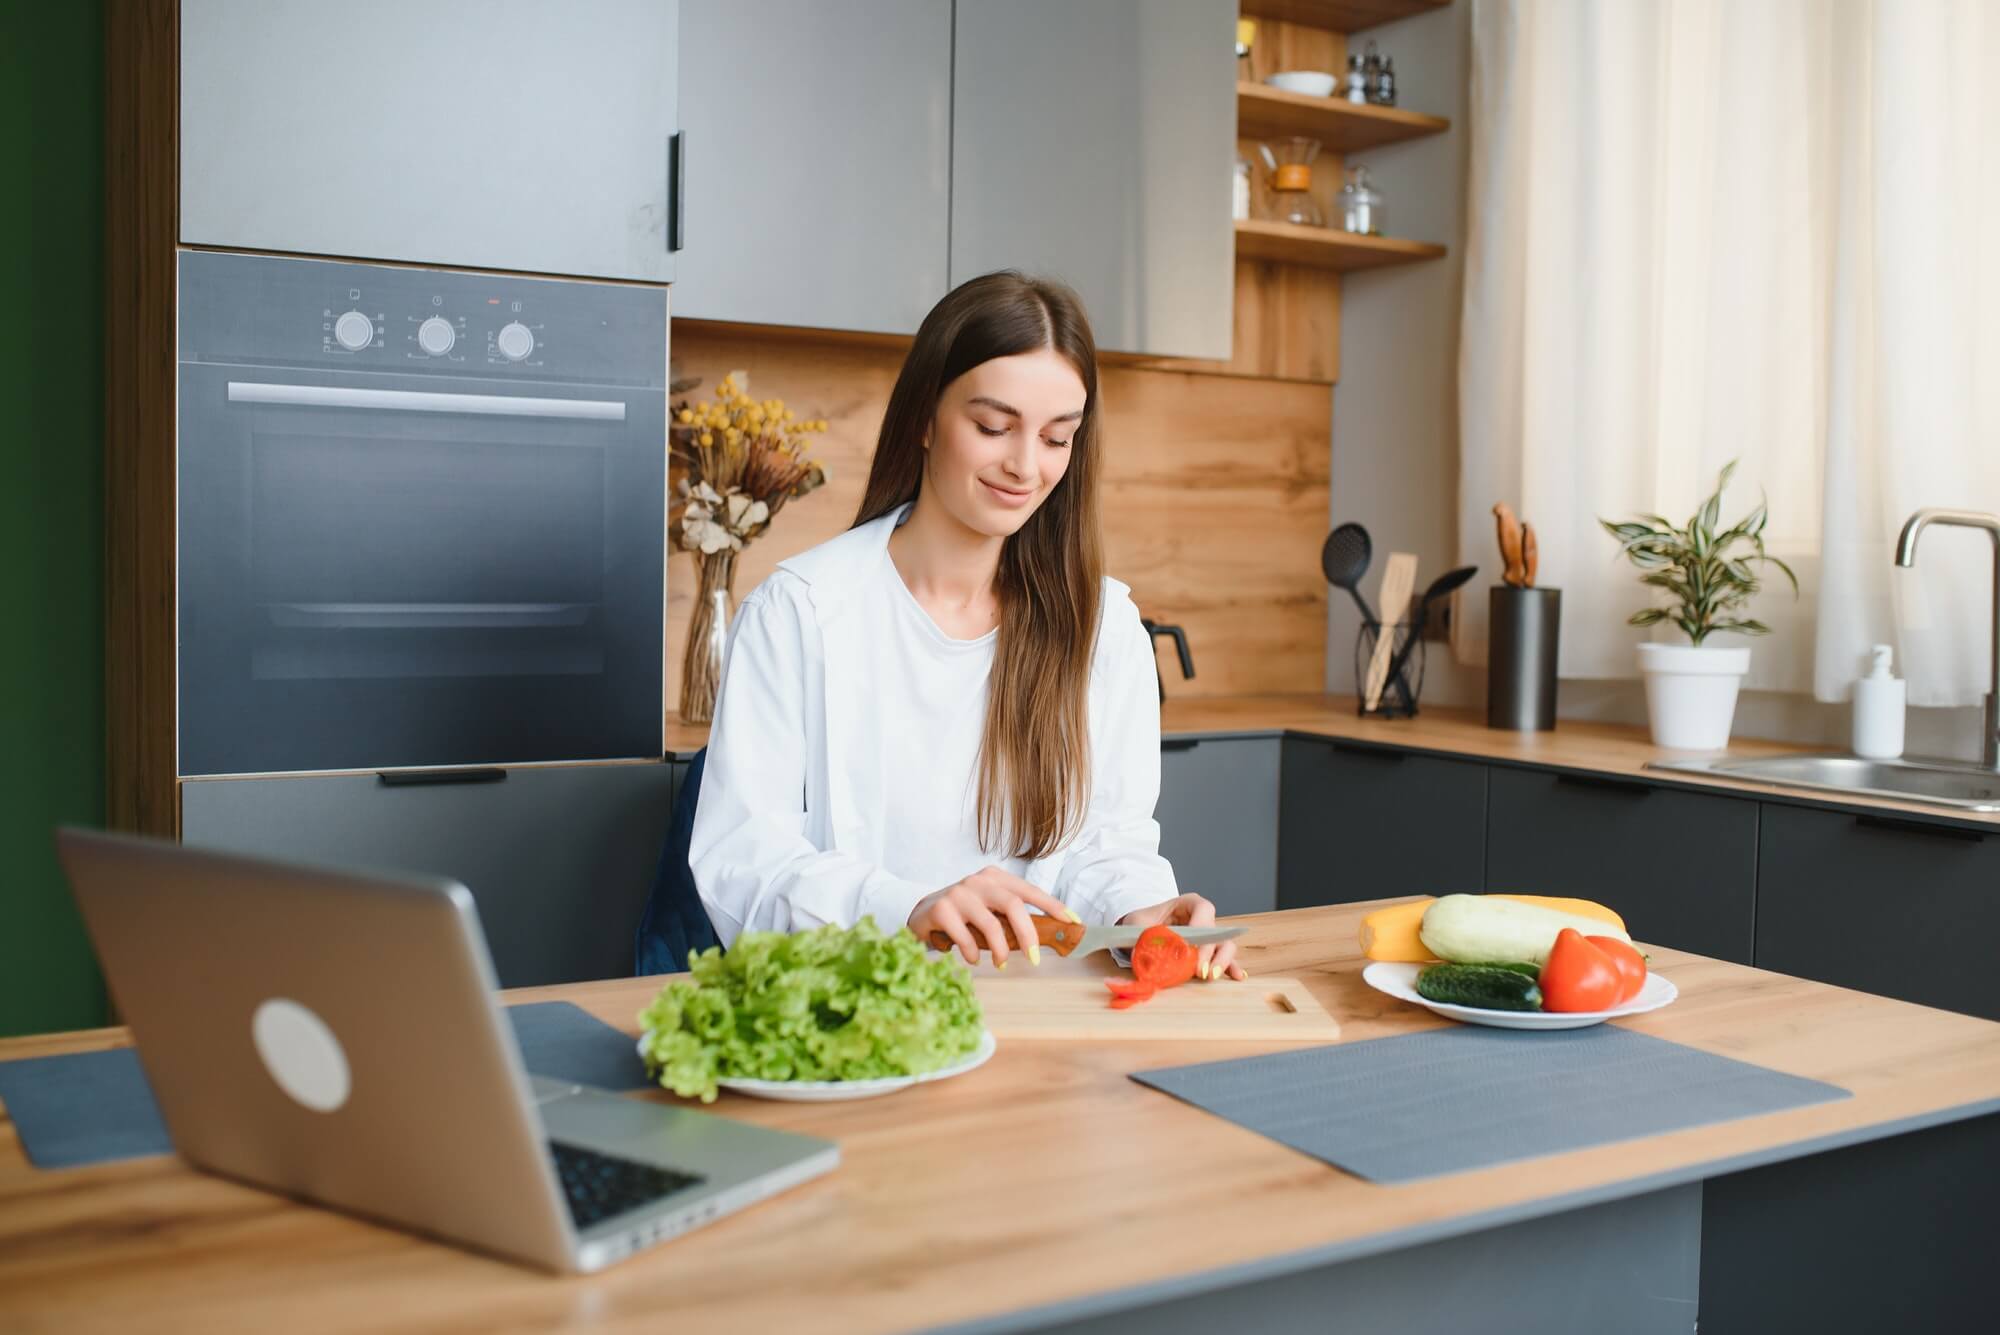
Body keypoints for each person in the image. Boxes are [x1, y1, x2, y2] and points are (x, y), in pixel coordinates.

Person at [688, 272, 1243, 983]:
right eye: (992, 427)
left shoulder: (1104, 629)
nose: (1025, 465)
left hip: (1040, 1014)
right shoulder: (800, 611)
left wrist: (1143, 911)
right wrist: (909, 908)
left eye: (1056, 437)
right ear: (924, 415)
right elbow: (743, 865)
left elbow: (1109, 842)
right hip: (860, 1002)